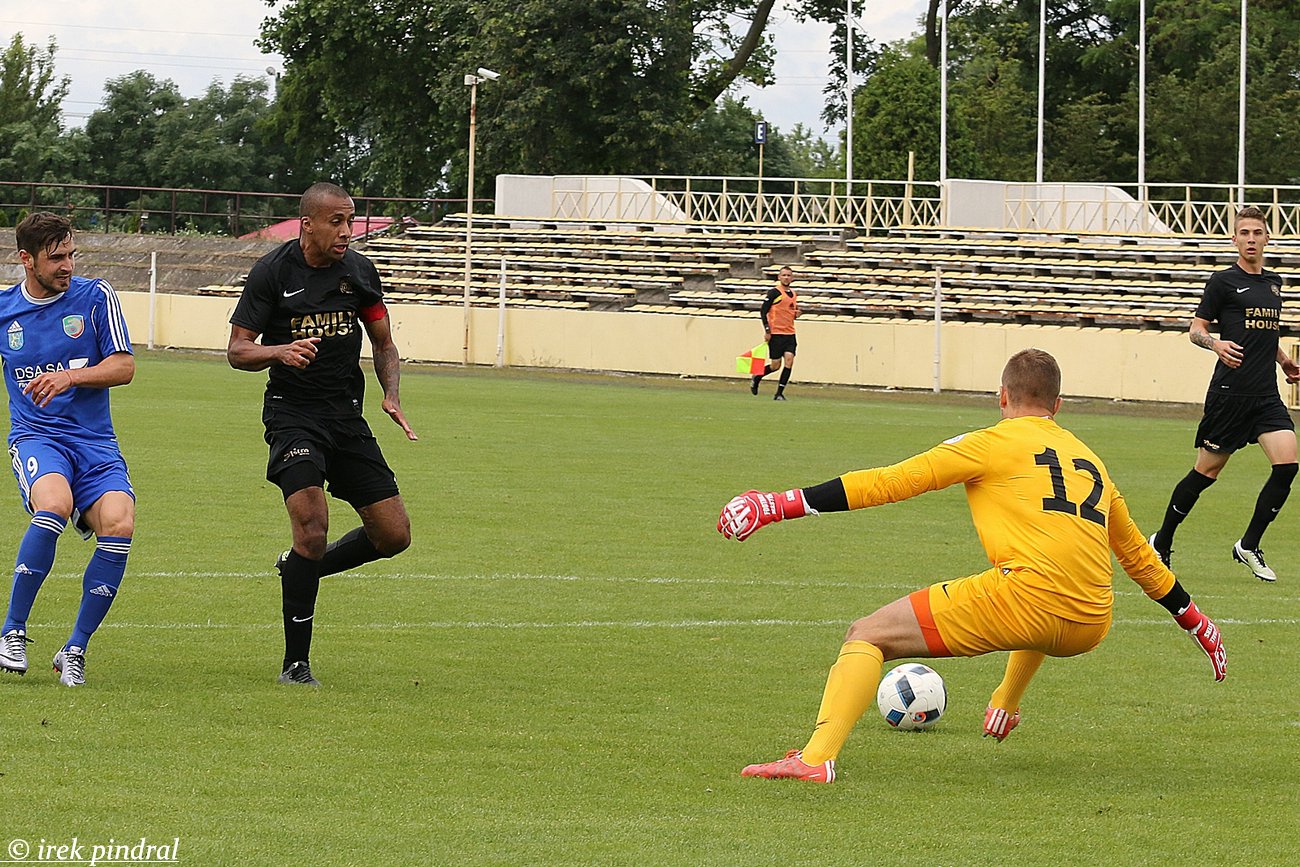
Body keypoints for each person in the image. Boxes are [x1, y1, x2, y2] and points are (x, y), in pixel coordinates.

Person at [717, 348, 1226, 783]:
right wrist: (1195, 620)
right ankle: (1005, 699)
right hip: (1091, 622)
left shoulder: (990, 441)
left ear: (1001, 397)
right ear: (1058, 406)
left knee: (867, 634)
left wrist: (777, 504)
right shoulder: (1091, 460)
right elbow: (1138, 555)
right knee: (1041, 577)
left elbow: (891, 481)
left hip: (1030, 600)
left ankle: (815, 760)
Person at [228, 182, 418, 687]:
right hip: (293, 415)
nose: (346, 231)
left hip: (347, 417)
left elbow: (384, 342)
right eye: (336, 221)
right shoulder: (272, 272)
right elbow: (238, 350)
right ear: (307, 223)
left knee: (393, 535)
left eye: (351, 220)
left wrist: (391, 395)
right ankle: (296, 664)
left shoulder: (359, 272)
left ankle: (298, 568)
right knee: (312, 525)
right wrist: (279, 351)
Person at [0, 212, 136, 687]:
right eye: (56, 257)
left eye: (71, 254)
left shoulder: (95, 297)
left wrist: (70, 376)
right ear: (26, 259)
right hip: (38, 439)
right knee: (54, 506)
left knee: (120, 523)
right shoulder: (3, 311)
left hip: (96, 443)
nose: (68, 265)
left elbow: (124, 367)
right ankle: (12, 631)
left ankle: (74, 648)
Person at [1149, 206, 1299, 582]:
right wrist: (1215, 345)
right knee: (1207, 472)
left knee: (1287, 465)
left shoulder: (1274, 284)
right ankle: (1161, 539)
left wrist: (1282, 361)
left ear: (1267, 238)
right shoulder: (1222, 282)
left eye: (1257, 232)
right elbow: (1195, 329)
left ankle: (1248, 545)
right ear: (1235, 239)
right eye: (1244, 232)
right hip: (1230, 395)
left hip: (1265, 396)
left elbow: (1266, 333)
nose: (1251, 238)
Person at [750, 265, 799, 400]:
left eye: (789, 275)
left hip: (790, 333)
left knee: (789, 361)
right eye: (784, 275)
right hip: (776, 333)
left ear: (792, 277)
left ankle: (779, 393)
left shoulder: (793, 294)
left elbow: (790, 311)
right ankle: (757, 376)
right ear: (779, 277)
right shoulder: (774, 293)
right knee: (775, 365)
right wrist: (767, 330)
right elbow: (763, 311)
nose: (786, 277)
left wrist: (796, 314)